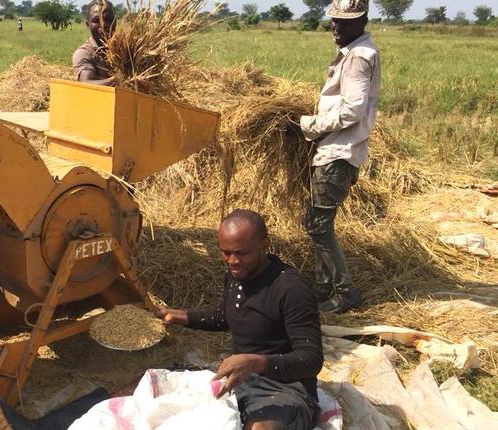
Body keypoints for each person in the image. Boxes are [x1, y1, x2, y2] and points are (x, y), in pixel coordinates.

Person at [157, 209, 323, 430]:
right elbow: (224, 316)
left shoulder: (291, 289)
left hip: (285, 388)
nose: (232, 261)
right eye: (225, 252)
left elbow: (311, 360)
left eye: (241, 253)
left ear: (265, 246)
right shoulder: (237, 275)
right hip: (241, 380)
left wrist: (255, 362)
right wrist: (180, 316)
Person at [298, 0, 381, 314]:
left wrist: (309, 125)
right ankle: (322, 287)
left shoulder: (359, 57)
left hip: (338, 153)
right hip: (334, 149)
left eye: (344, 23)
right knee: (316, 223)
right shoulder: (354, 52)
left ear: (362, 22)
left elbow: (352, 110)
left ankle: (345, 293)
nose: (336, 27)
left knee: (319, 226)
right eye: (334, 21)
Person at [72, 0, 116, 85]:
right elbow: (86, 83)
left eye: (108, 19)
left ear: (116, 22)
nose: (103, 25)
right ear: (88, 25)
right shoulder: (84, 53)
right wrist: (116, 79)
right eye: (96, 20)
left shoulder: (127, 51)